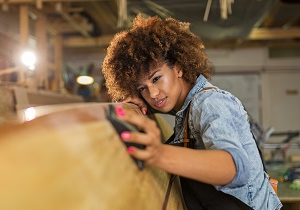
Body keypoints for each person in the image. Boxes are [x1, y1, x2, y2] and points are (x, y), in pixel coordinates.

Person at [102, 14, 282, 210]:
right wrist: (136, 103)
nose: (152, 93)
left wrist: (159, 154)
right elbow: (160, 104)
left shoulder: (210, 103)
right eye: (141, 88)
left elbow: (235, 168)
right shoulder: (185, 106)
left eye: (156, 79)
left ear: (178, 67)